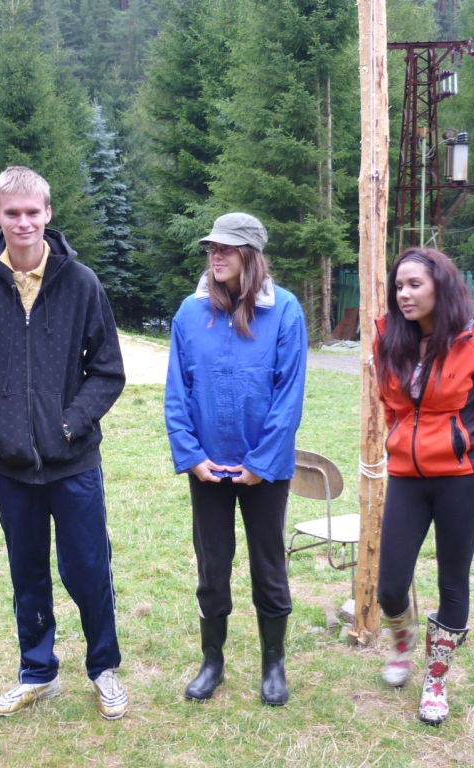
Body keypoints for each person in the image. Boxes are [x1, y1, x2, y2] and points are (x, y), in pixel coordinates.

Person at [0, 166, 128, 720]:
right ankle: (37, 672)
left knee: (88, 569)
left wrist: (70, 424)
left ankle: (103, 669)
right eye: (12, 212)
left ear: (48, 214)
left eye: (33, 212)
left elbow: (107, 370)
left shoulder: (82, 284)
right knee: (27, 572)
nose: (23, 222)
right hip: (10, 465)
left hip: (74, 461)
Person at [164, 212, 307, 706]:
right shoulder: (190, 313)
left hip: (265, 470)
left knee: (269, 566)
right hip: (208, 468)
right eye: (212, 248)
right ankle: (213, 662)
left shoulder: (284, 310)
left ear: (250, 254)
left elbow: (288, 395)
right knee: (212, 567)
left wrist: (262, 463)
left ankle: (273, 664)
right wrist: (191, 455)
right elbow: (177, 391)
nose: (215, 256)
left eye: (225, 248)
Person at [374, 247, 474, 725]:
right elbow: (390, 404)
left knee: (452, 582)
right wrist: (398, 440)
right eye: (399, 286)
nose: (404, 294)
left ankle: (435, 681)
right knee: (390, 586)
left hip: (462, 478)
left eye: (415, 284)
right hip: (407, 477)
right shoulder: (387, 336)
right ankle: (402, 643)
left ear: (441, 286)